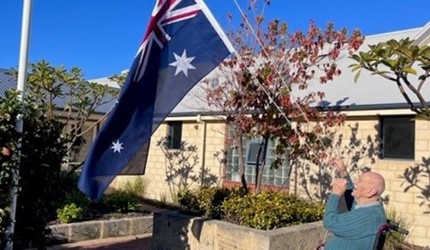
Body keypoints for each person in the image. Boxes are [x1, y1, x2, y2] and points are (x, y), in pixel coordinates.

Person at [322, 158, 386, 249]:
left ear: (370, 192)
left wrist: (335, 194)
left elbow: (330, 221)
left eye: (360, 181)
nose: (356, 181)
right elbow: (351, 200)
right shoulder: (370, 209)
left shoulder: (367, 217)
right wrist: (344, 173)